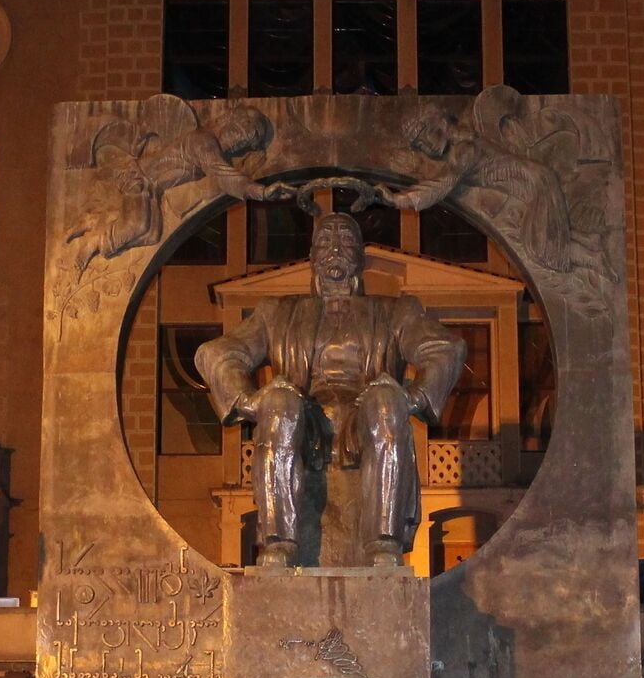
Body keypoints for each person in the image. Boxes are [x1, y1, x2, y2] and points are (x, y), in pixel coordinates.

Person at [196, 210, 465, 568]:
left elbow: (444, 348)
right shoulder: (276, 312)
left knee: (386, 401)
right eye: (325, 241)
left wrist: (411, 396)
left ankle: (382, 545)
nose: (334, 249)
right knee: (277, 404)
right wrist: (250, 401)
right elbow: (217, 353)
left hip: (366, 417)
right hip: (303, 423)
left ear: (360, 256)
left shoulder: (395, 312)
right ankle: (279, 545)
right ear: (311, 256)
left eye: (345, 241)